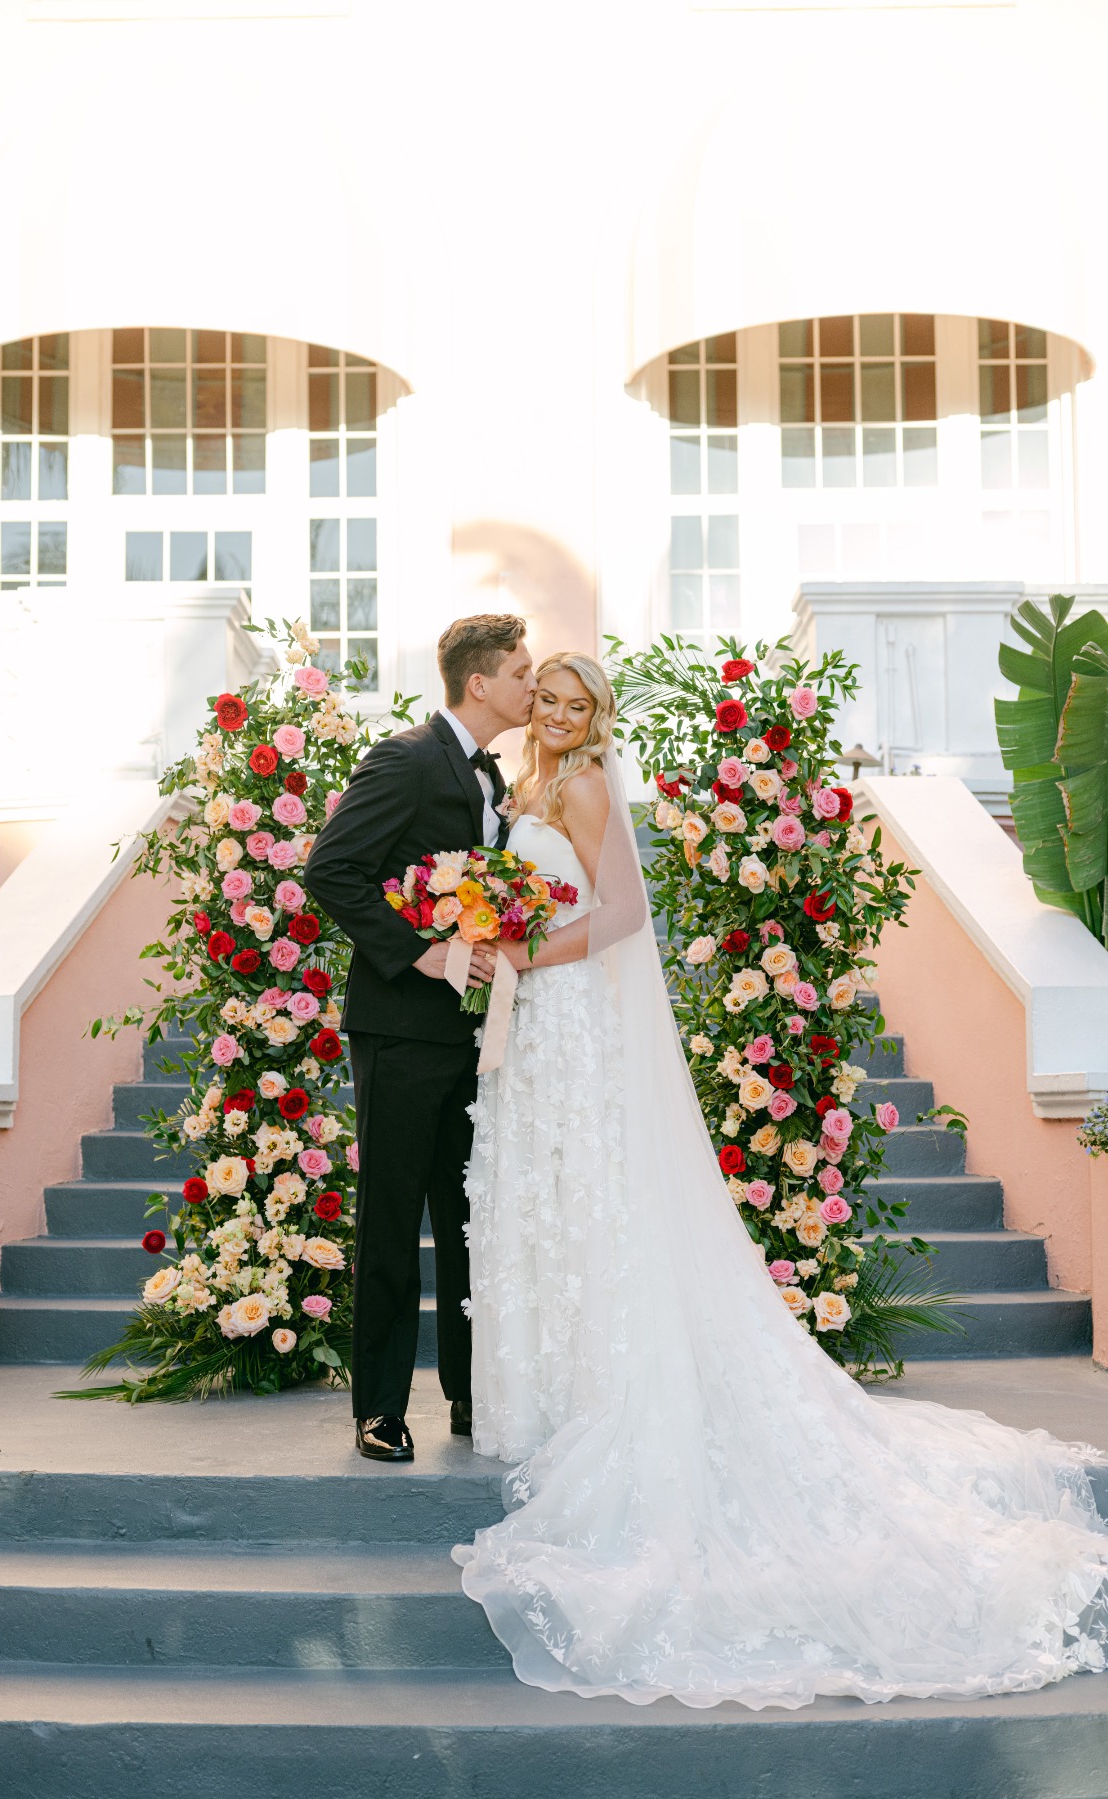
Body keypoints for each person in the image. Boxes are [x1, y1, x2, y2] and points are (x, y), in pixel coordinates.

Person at [454, 649, 1108, 1710]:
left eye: (581, 705)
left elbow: (621, 916)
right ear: (532, 702)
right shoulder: (526, 780)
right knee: (554, 1196)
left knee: (596, 1200)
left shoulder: (577, 785)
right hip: (538, 1031)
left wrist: (528, 953)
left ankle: (598, 1387)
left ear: (597, 716)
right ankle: (556, 1384)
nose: (565, 716)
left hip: (569, 1015)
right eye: (553, 700)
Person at [306, 614, 536, 1462]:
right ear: (479, 683)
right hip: (401, 1031)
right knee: (394, 1219)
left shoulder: (496, 775)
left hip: (477, 1034)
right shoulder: (404, 758)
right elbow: (331, 868)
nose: (532, 683)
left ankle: (472, 1393)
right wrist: (424, 951)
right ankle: (378, 1408)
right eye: (521, 670)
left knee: (469, 1216)